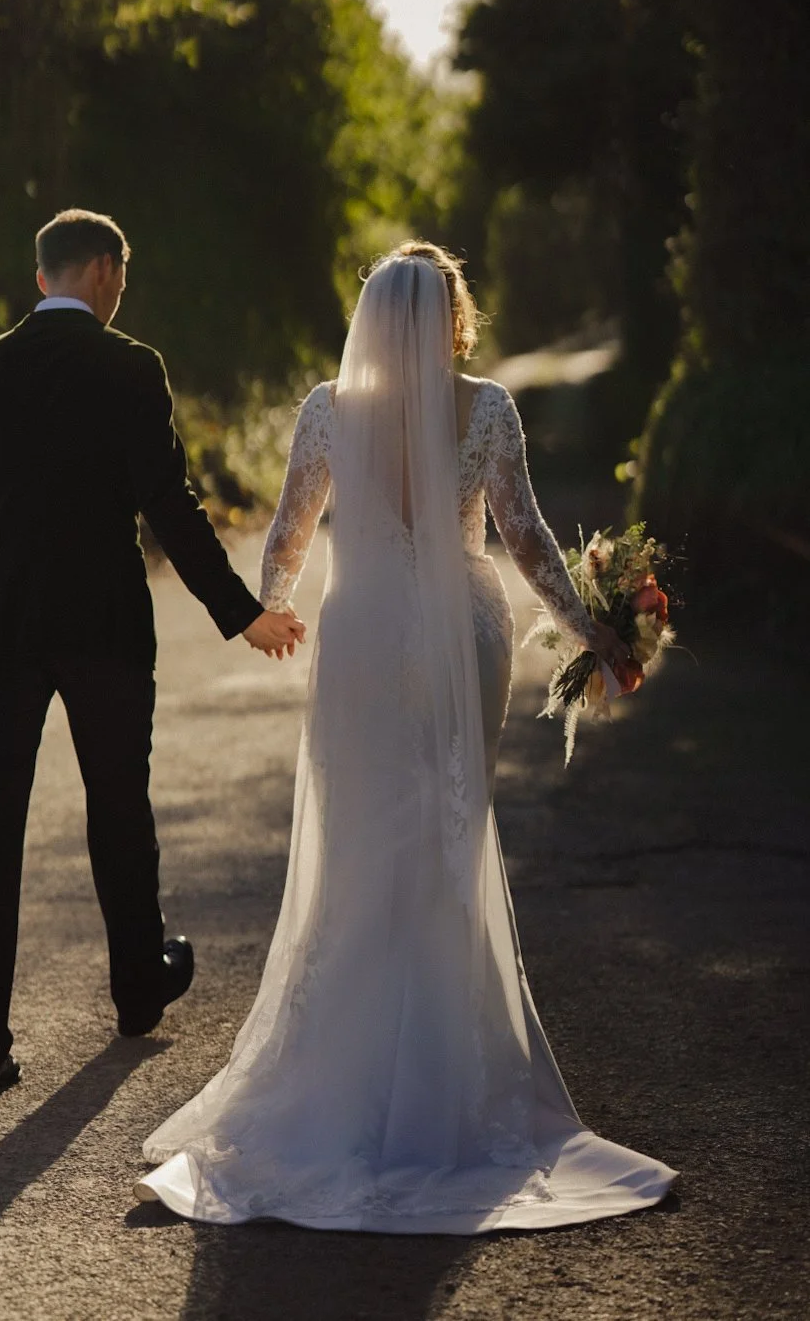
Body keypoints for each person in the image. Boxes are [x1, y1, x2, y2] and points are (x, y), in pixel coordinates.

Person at [135, 242, 677, 1233]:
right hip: (464, 631)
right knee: (447, 828)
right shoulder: (486, 407)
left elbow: (289, 530)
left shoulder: (324, 409)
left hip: (362, 631)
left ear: (372, 323)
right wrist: (588, 627)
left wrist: (275, 607)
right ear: (453, 317)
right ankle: (445, 1069)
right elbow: (523, 534)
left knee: (356, 838)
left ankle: (346, 1072)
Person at [0, 208, 304, 1103]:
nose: (123, 288)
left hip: (5, 633)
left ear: (40, 278)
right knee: (118, 807)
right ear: (101, 270)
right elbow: (167, 505)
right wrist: (240, 612)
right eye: (123, 273)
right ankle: (138, 982)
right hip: (103, 628)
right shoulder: (132, 368)